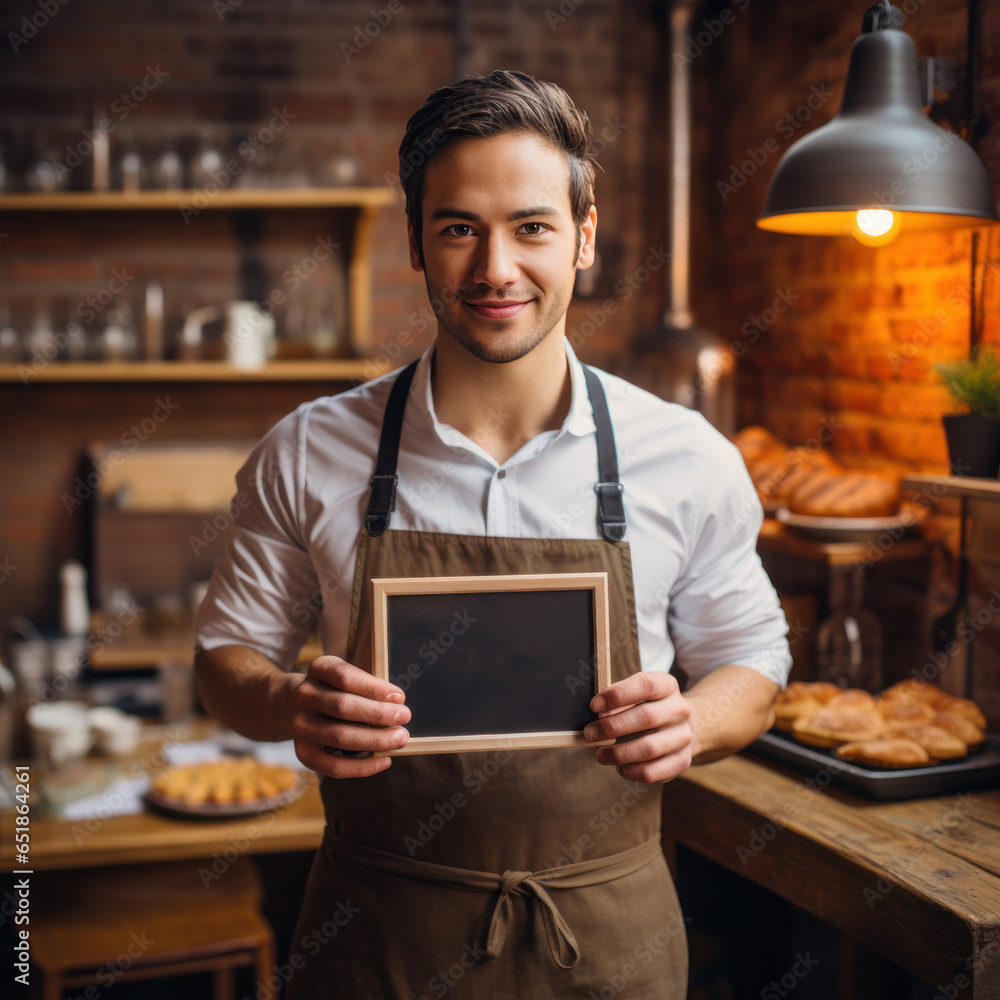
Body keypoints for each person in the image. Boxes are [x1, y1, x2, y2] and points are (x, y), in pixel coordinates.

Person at [194, 69, 791, 999]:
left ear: (585, 238)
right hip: (375, 940)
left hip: (609, 943)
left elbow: (753, 661)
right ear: (417, 245)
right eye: (459, 228)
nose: (495, 269)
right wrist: (286, 706)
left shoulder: (685, 455)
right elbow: (224, 657)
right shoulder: (310, 448)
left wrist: (693, 720)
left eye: (532, 226)